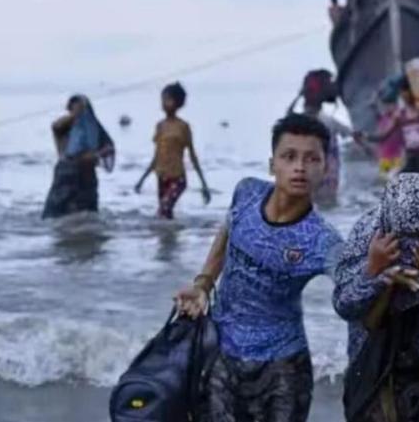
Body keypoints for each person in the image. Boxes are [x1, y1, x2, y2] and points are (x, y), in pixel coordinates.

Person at [175, 114, 343, 422]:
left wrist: (378, 270)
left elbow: (353, 287)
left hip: (282, 371)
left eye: (311, 159)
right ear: (272, 164)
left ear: (325, 168)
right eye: (289, 156)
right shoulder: (247, 192)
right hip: (221, 355)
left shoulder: (323, 240)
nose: (300, 167)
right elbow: (228, 231)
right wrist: (203, 284)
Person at [333, 173, 419, 421]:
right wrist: (374, 271)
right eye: (405, 236)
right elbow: (345, 305)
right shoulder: (367, 236)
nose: (415, 244)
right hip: (375, 366)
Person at [134, 82, 211, 219]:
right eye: (162, 99)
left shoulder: (183, 127)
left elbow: (192, 156)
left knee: (164, 209)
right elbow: (156, 156)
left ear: (178, 102)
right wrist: (142, 179)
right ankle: (172, 233)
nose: (163, 103)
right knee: (165, 214)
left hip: (178, 178)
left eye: (167, 99)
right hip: (161, 176)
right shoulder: (160, 126)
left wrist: (204, 184)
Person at [42, 95, 115, 219]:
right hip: (66, 178)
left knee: (86, 216)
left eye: (83, 108)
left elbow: (101, 155)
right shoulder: (64, 127)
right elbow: (55, 127)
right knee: (59, 215)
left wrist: (99, 154)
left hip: (86, 180)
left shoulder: (93, 131)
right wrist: (75, 115)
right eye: (76, 107)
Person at [368, 78, 419, 178]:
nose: (405, 96)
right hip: (408, 161)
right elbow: (383, 136)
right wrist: (365, 136)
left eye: (407, 93)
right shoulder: (400, 116)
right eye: (402, 94)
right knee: (392, 179)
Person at [302, 97, 355, 205]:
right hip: (328, 166)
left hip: (320, 166)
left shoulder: (302, 123)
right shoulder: (328, 120)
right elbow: (348, 132)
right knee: (327, 197)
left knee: (316, 197)